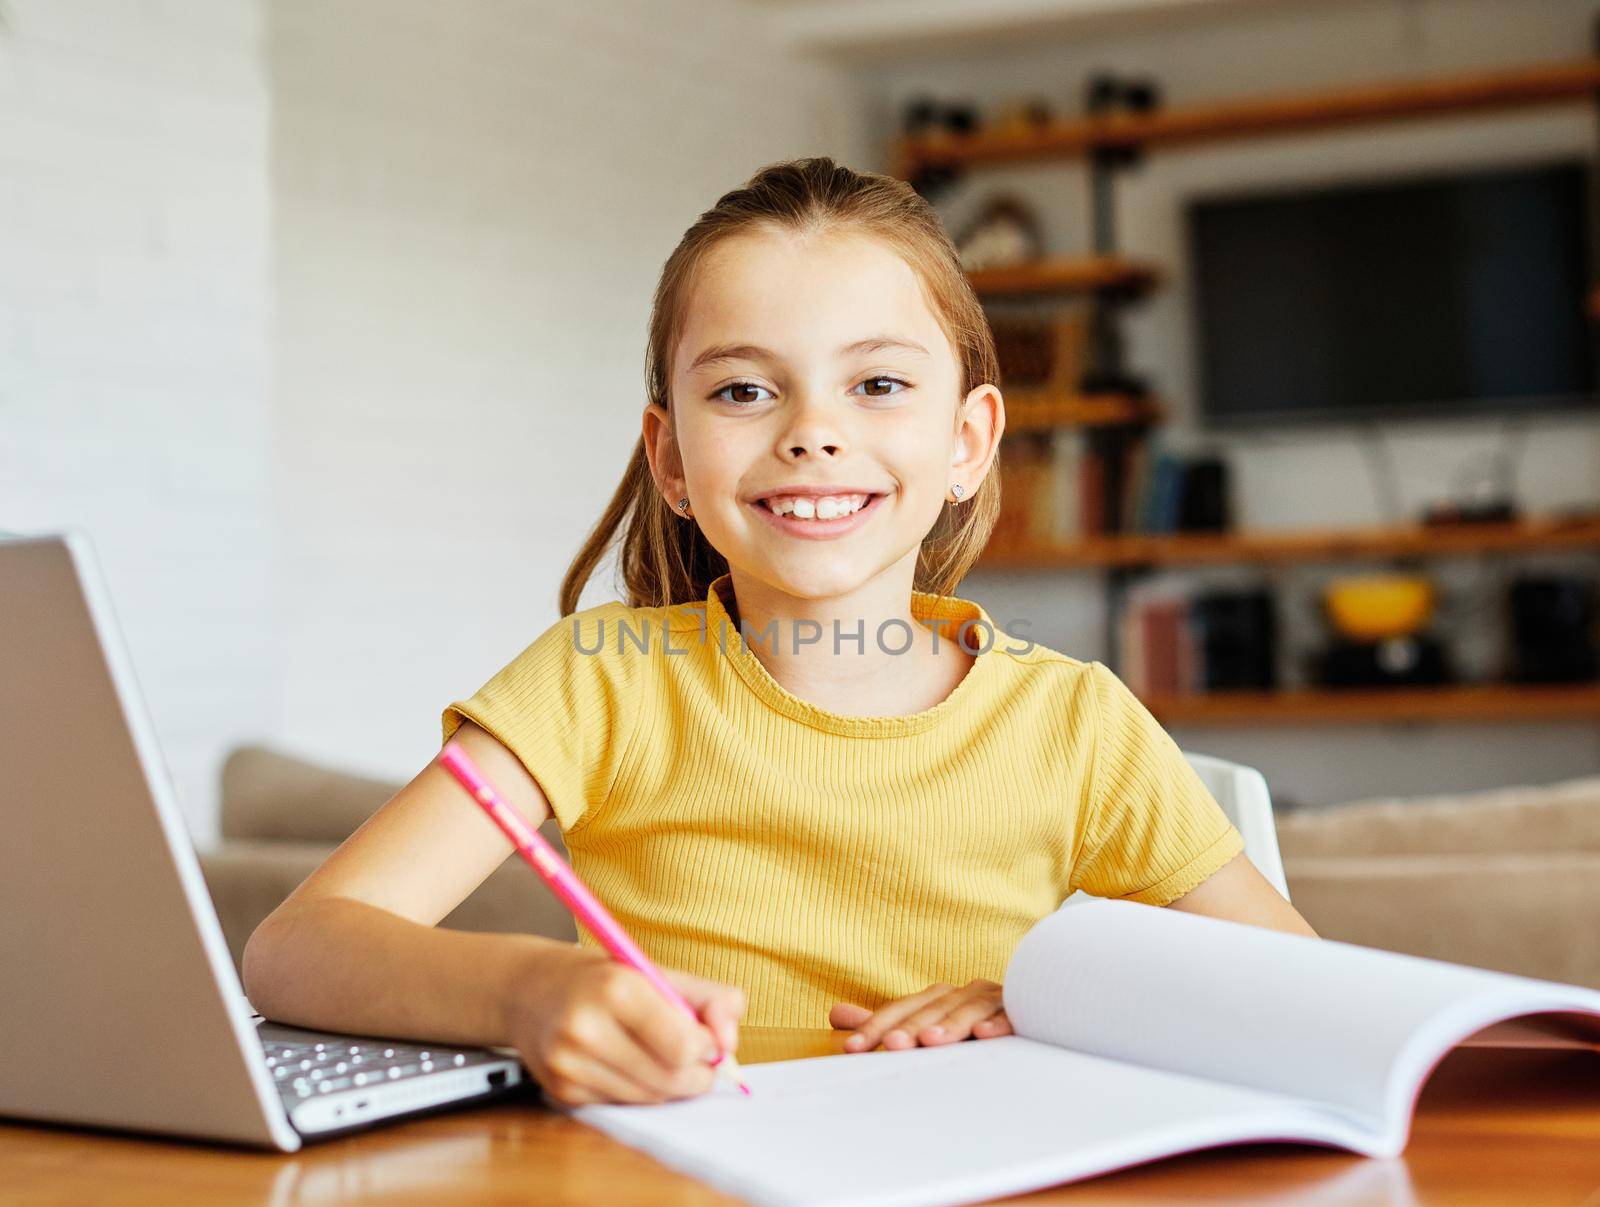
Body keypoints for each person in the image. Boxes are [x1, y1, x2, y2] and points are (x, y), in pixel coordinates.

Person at [243, 156, 1315, 1110]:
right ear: (670, 458)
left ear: (967, 440)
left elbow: (1314, 1004)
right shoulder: (599, 684)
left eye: (880, 383)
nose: (812, 432)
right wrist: (527, 989)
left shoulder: (1075, 724)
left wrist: (1049, 1001)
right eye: (746, 389)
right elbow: (296, 948)